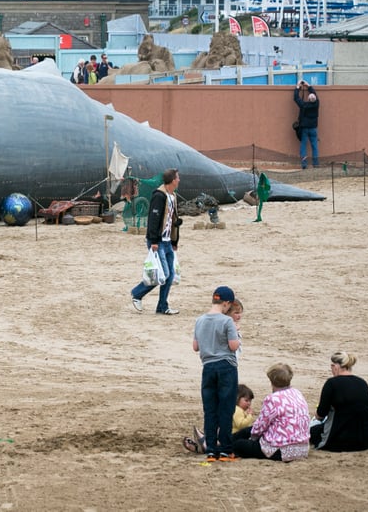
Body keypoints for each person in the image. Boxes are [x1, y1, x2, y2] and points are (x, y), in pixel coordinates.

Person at [192, 286, 241, 461]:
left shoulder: (200, 320)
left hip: (208, 367)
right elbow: (233, 346)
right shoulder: (227, 322)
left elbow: (196, 347)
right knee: (226, 409)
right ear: (226, 303)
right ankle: (226, 450)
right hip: (226, 366)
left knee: (210, 409)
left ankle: (211, 450)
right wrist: (236, 331)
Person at [310, 351, 368, 450]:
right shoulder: (362, 382)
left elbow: (321, 414)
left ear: (335, 366)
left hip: (342, 439)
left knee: (313, 430)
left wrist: (316, 417)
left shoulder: (331, 383)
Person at [232, 363, 311, 461]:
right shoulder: (297, 393)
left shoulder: (273, 399)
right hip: (302, 448)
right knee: (247, 431)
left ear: (272, 381)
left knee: (240, 444)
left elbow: (260, 427)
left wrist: (253, 438)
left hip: (279, 449)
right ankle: (224, 439)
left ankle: (220, 443)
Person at [129, 168, 181, 315]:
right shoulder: (159, 196)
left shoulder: (173, 196)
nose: (179, 180)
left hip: (167, 241)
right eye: (177, 178)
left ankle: (162, 306)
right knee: (162, 275)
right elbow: (153, 219)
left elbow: (172, 220)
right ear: (172, 180)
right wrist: (153, 240)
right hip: (158, 241)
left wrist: (175, 240)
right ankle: (137, 293)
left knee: (170, 276)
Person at [294, 80, 320, 168]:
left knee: (303, 145)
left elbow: (296, 98)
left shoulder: (304, 105)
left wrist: (298, 87)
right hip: (313, 128)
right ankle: (316, 164)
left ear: (308, 99)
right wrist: (308, 86)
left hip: (305, 128)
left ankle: (304, 164)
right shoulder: (317, 104)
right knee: (314, 146)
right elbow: (314, 93)